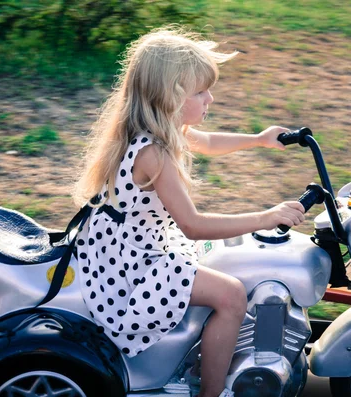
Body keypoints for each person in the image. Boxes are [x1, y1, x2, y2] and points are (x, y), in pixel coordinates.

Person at [73, 27, 306, 397]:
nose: (209, 98)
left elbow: (209, 142)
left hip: (131, 244)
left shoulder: (159, 130)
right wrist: (267, 217)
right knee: (231, 295)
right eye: (200, 91)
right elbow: (193, 225)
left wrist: (260, 139)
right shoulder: (154, 152)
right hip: (135, 264)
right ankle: (211, 393)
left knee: (227, 261)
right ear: (169, 96)